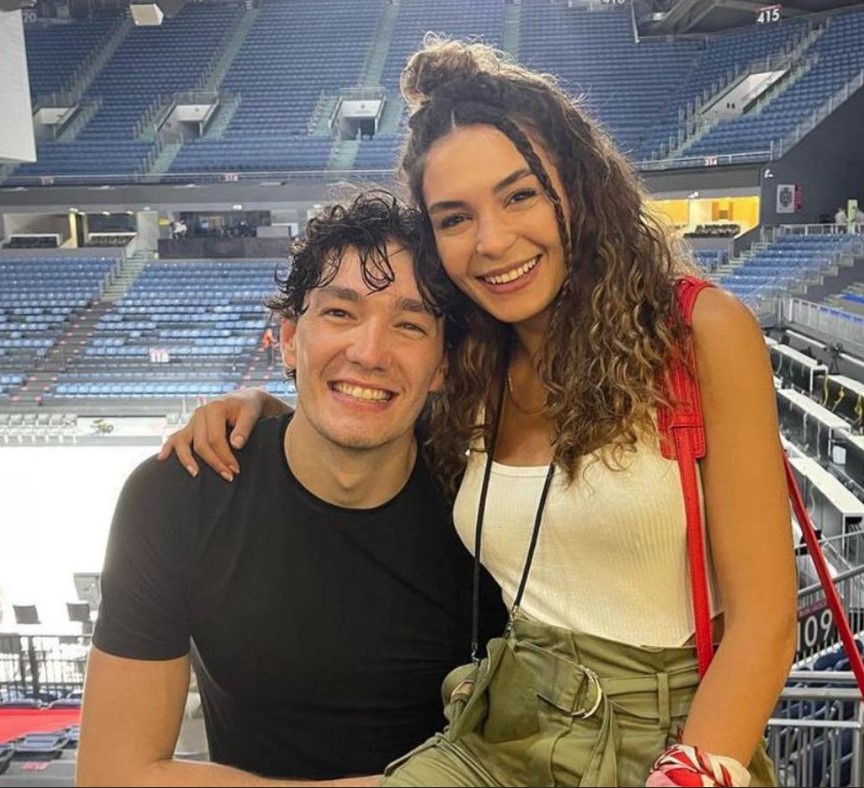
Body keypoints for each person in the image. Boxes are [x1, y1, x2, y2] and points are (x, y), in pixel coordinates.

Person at [162, 38, 797, 787]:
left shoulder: (698, 332)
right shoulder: (468, 361)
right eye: (455, 217)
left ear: (578, 189)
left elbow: (764, 624)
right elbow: (365, 405)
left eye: (520, 196)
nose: (492, 242)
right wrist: (263, 405)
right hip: (507, 721)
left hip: (665, 733)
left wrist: (690, 771)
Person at [77, 192, 505, 786]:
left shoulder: (488, 510)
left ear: (442, 367)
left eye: (409, 325)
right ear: (287, 339)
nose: (369, 352)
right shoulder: (180, 492)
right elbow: (111, 775)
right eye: (340, 313)